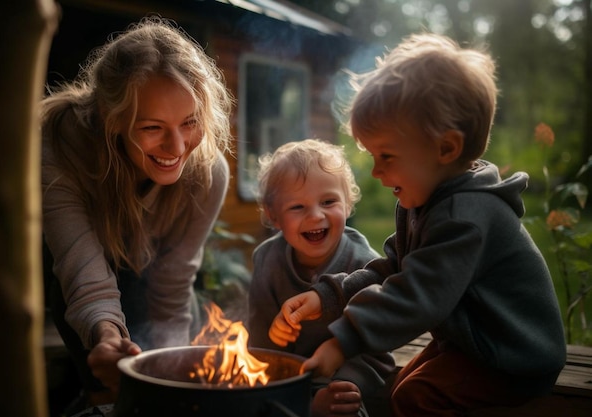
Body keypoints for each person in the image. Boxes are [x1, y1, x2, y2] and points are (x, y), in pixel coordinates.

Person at [270, 33, 567, 416]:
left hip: (514, 354)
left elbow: (416, 296)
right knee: (402, 388)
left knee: (416, 398)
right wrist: (326, 297)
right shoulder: (422, 199)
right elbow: (392, 269)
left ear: (446, 148)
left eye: (387, 156)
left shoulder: (465, 217)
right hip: (473, 340)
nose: (376, 171)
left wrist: (342, 343)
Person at [41, 16, 233, 410]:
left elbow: (174, 282)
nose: (177, 146)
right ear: (114, 120)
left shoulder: (209, 172)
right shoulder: (58, 148)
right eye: (152, 127)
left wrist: (172, 374)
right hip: (70, 274)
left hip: (150, 273)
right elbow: (82, 273)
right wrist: (107, 338)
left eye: (190, 122)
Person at [248, 139, 395, 417]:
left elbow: (378, 346)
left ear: (348, 204)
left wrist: (346, 384)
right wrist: (274, 338)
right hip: (287, 379)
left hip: (343, 375)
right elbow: (260, 346)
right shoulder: (267, 261)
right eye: (297, 207)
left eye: (328, 202)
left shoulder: (365, 264)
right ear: (273, 216)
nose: (316, 216)